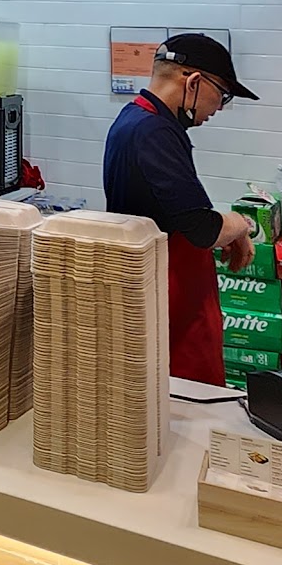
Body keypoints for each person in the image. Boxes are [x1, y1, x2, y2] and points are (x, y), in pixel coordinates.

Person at [102, 33, 259, 385]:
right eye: (222, 94)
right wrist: (239, 224)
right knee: (187, 402)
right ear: (193, 81)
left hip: (155, 286)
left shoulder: (133, 119)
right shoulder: (154, 132)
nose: (219, 108)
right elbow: (203, 229)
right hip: (171, 300)